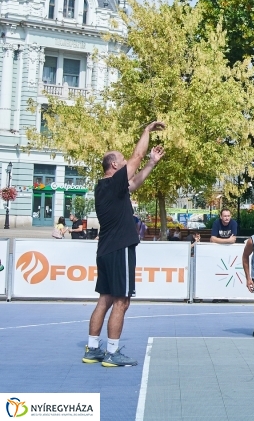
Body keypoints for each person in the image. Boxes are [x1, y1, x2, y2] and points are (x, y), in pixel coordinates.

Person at [82, 121, 165, 367]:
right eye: (121, 159)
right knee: (122, 301)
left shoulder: (105, 187)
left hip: (106, 250)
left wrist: (152, 163)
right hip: (120, 249)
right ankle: (112, 353)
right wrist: (146, 132)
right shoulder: (113, 181)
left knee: (105, 299)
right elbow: (137, 156)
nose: (125, 160)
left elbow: (135, 182)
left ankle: (93, 348)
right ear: (115, 166)